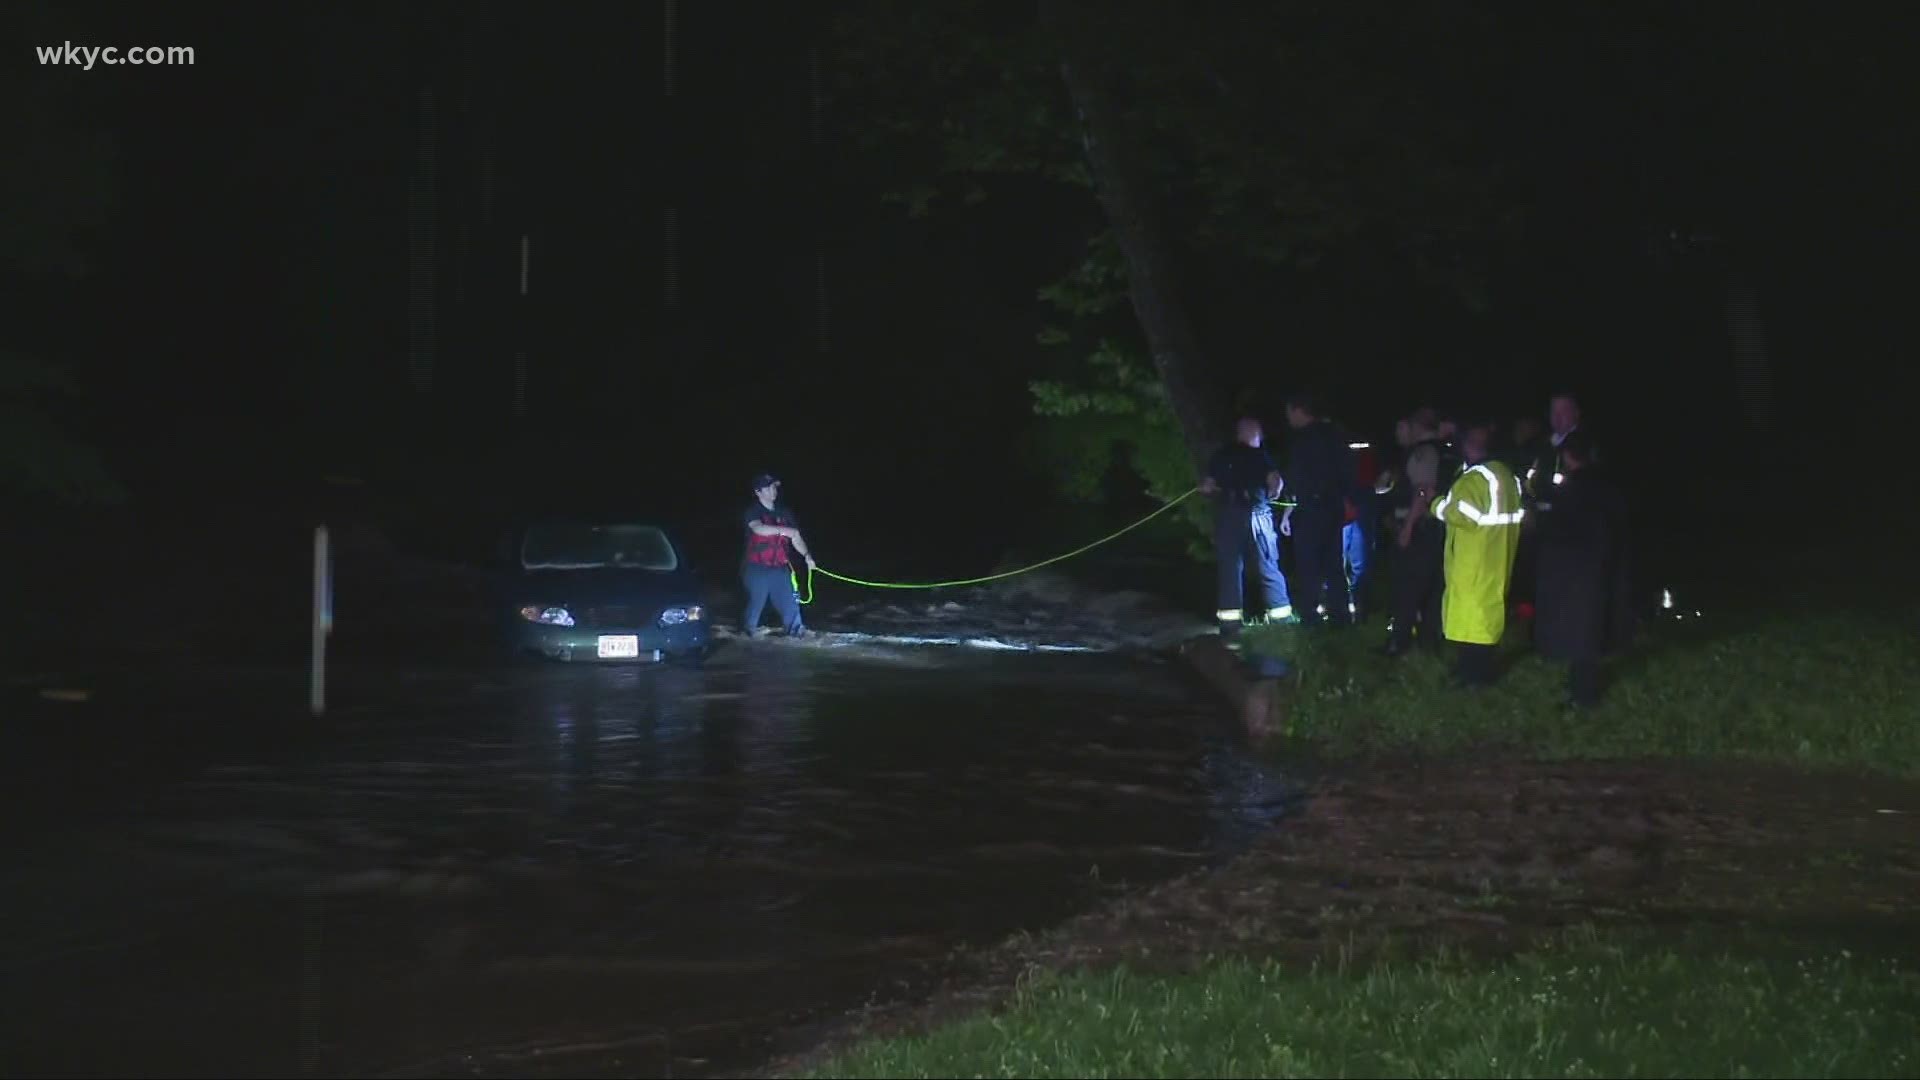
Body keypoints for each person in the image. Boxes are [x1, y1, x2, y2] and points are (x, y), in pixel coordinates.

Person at [1531, 431, 1633, 706]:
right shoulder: (1609, 487)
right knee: (1592, 630)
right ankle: (1582, 688)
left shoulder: (1571, 490)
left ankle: (1583, 696)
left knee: (1580, 635)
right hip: (1602, 569)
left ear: (1567, 457)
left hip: (1575, 573)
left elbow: (1557, 530)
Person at [1430, 422, 1526, 686]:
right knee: (1484, 616)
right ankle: (1470, 671)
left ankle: (1475, 677)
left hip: (1473, 560)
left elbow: (1462, 515)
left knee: (1474, 621)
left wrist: (1435, 504)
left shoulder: (1475, 479)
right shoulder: (1505, 474)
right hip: (1497, 555)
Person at [1199, 417, 1291, 640]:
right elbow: (1275, 481)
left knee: (1230, 569)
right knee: (1268, 565)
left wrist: (1210, 489)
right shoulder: (1259, 455)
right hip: (1257, 514)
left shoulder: (1221, 455)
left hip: (1229, 515)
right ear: (1251, 433)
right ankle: (1282, 622)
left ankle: (1230, 627)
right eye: (1259, 434)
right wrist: (1275, 493)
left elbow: (1206, 486)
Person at [1281, 393, 1354, 627]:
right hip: (1333, 506)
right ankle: (1340, 614)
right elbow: (1347, 470)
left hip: (1311, 507)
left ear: (1298, 411)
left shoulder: (1302, 440)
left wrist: (1290, 505)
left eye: (1289, 413)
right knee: (1334, 563)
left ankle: (1311, 617)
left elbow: (1296, 476)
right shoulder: (1334, 435)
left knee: (1308, 564)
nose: (1288, 418)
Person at [1384, 416, 1450, 656]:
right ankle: (1428, 643)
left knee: (1408, 587)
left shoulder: (1424, 453)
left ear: (1416, 427)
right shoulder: (1445, 452)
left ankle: (1399, 643)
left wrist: (1408, 527)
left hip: (1420, 529)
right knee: (1432, 588)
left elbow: (1422, 492)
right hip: (1434, 528)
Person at [741, 473, 816, 637]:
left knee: (791, 603)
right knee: (756, 604)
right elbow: (758, 529)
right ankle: (747, 635)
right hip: (756, 568)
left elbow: (796, 537)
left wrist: (807, 556)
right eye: (769, 487)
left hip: (780, 568)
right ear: (758, 492)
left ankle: (797, 632)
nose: (773, 490)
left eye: (774, 487)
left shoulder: (785, 512)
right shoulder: (753, 511)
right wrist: (785, 531)